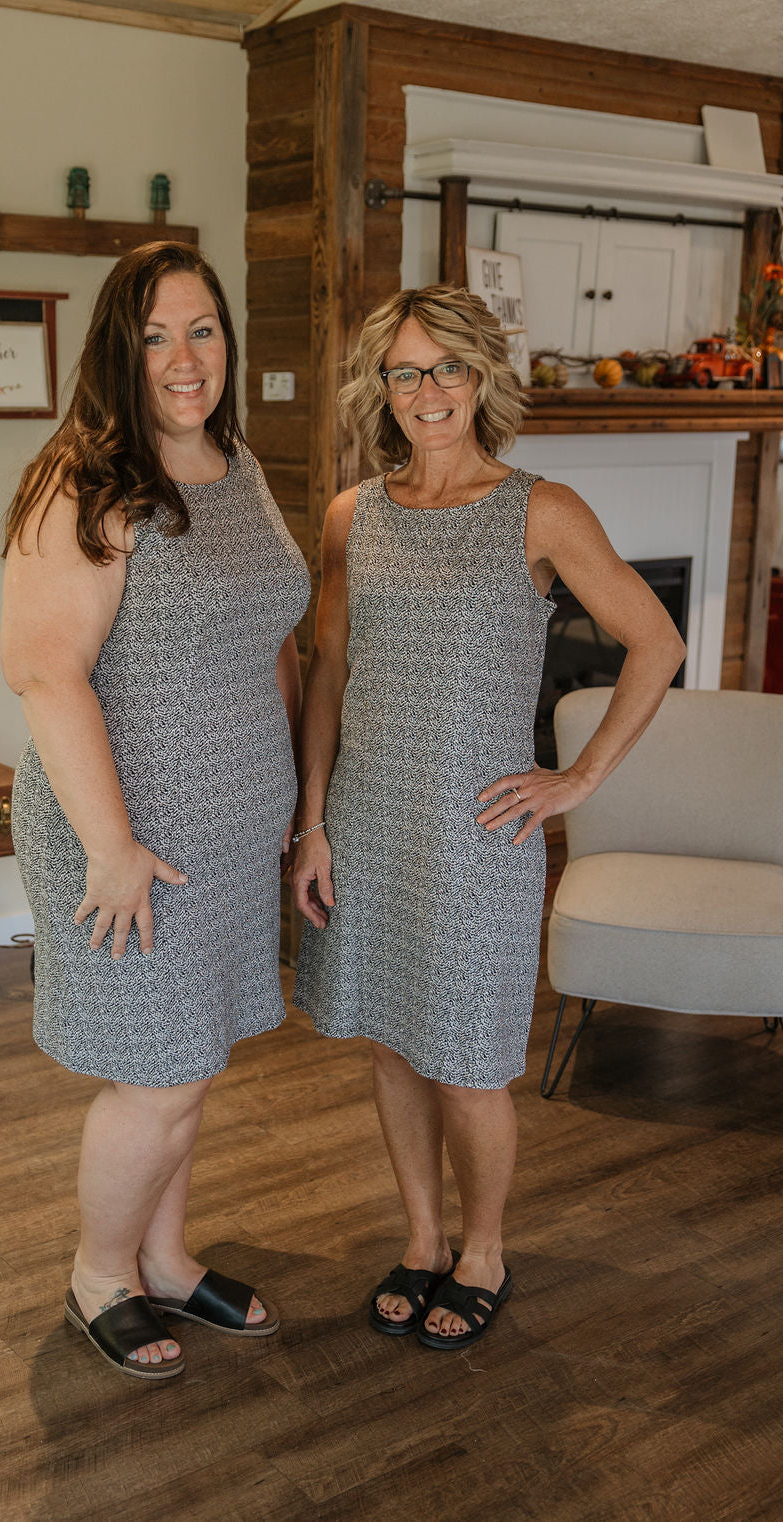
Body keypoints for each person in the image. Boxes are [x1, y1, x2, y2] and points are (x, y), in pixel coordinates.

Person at [291, 285, 684, 1350]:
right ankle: (423, 1241)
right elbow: (329, 669)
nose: (428, 391)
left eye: (448, 368)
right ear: (382, 386)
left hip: (478, 837)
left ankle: (483, 1253)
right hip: (366, 824)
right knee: (391, 1048)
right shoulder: (351, 515)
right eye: (406, 371)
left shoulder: (540, 511)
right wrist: (313, 823)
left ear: (481, 378)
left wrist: (578, 777)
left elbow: (655, 643)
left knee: (467, 1063)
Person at [1, 242, 309, 1381]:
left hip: (231, 831)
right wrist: (113, 846)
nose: (185, 359)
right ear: (116, 353)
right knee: (159, 1074)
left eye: (203, 330)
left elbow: (270, 637)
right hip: (128, 835)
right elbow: (44, 671)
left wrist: (292, 801)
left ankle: (166, 1260)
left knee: (195, 1058)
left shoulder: (238, 464)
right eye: (154, 338)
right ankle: (100, 1275)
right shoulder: (85, 481)